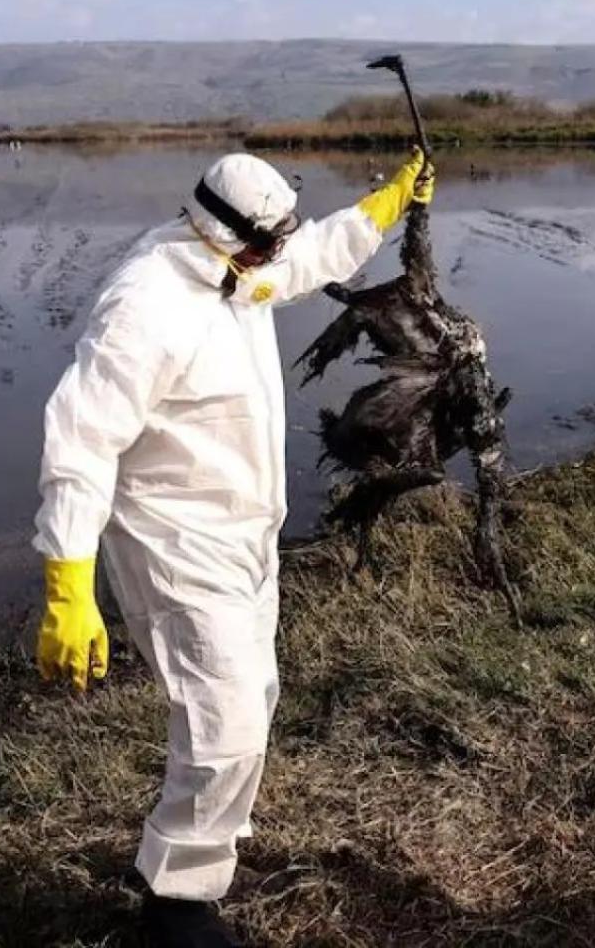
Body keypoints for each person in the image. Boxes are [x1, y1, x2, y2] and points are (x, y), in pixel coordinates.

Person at [31, 149, 434, 947]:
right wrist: (67, 584)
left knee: (255, 697)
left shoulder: (236, 266)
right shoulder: (144, 306)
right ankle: (175, 906)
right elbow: (78, 442)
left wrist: (381, 209)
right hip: (174, 543)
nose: (276, 254)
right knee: (225, 722)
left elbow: (298, 265)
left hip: (247, 531)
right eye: (266, 243)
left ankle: (195, 857)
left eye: (278, 238)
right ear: (224, 232)